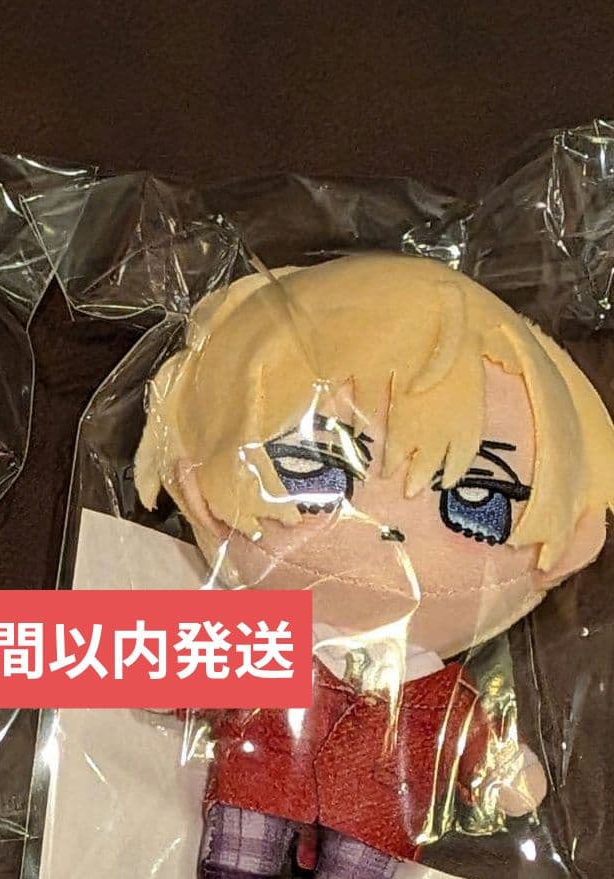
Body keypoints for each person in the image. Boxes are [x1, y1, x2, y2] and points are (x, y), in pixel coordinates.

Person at [134, 254, 614, 878]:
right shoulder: (267, 647)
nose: (390, 530)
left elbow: (475, 743)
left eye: (475, 497)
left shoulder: (435, 695)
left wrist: (500, 768)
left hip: (377, 813)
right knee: (237, 859)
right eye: (316, 462)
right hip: (259, 782)